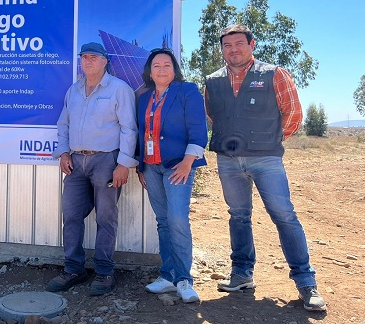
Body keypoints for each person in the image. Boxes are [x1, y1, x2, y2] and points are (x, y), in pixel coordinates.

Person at [205, 24, 326, 312]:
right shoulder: (213, 80)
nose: (233, 49)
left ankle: (306, 282)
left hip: (266, 159)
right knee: (238, 216)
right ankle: (242, 275)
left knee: (284, 216)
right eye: (227, 45)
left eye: (238, 44)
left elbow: (293, 113)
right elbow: (212, 115)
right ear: (222, 49)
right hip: (228, 160)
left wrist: (269, 140)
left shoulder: (274, 73)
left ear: (252, 44)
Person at [48, 42, 138, 296]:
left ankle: (104, 272)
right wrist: (64, 152)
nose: (87, 61)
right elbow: (63, 124)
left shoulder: (119, 89)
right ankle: (74, 269)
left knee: (105, 218)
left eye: (93, 57)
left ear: (105, 61)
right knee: (72, 215)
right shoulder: (73, 91)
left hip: (106, 162)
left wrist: (123, 163)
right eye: (84, 57)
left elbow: (129, 128)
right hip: (76, 163)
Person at [135, 48, 207, 303]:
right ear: (150, 71)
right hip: (151, 167)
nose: (162, 69)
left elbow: (199, 131)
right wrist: (140, 166)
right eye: (157, 65)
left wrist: (188, 162)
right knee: (163, 221)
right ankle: (167, 276)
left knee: (177, 219)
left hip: (178, 166)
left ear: (174, 69)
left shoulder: (187, 91)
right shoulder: (144, 98)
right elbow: (140, 134)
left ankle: (185, 279)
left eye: (167, 65)